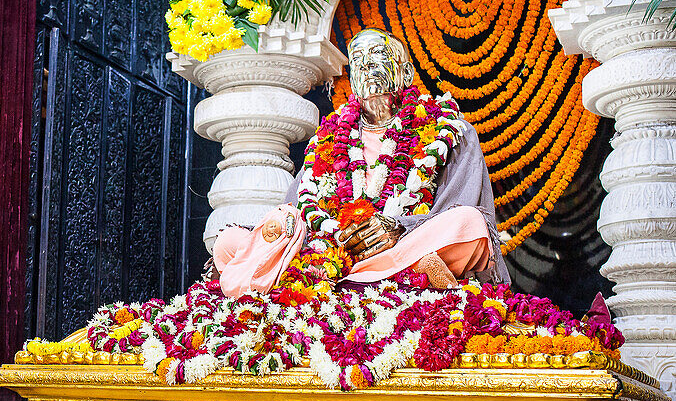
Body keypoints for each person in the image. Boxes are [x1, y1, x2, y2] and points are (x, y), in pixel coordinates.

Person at [214, 28, 509, 294]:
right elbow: (301, 211)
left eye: (378, 55)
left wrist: (398, 227)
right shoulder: (327, 139)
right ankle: (361, 277)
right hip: (332, 254)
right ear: (352, 78)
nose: (366, 65)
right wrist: (321, 236)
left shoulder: (450, 129)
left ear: (406, 74)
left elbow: (459, 208)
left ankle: (355, 278)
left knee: (469, 225)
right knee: (229, 242)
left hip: (406, 247)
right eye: (357, 59)